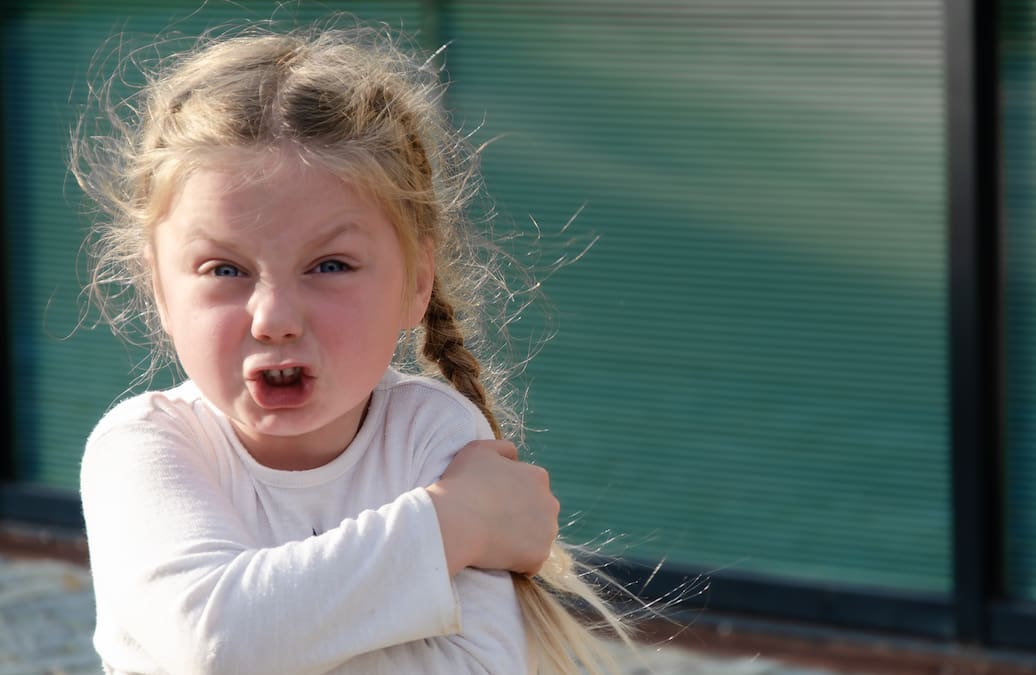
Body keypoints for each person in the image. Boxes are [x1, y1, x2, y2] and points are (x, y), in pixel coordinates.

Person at [74, 15, 633, 675]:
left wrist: (283, 623)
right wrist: (457, 523)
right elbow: (217, 642)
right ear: (160, 291)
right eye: (225, 270)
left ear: (416, 282)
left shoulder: (434, 432)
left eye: (330, 265)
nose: (275, 318)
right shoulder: (142, 448)